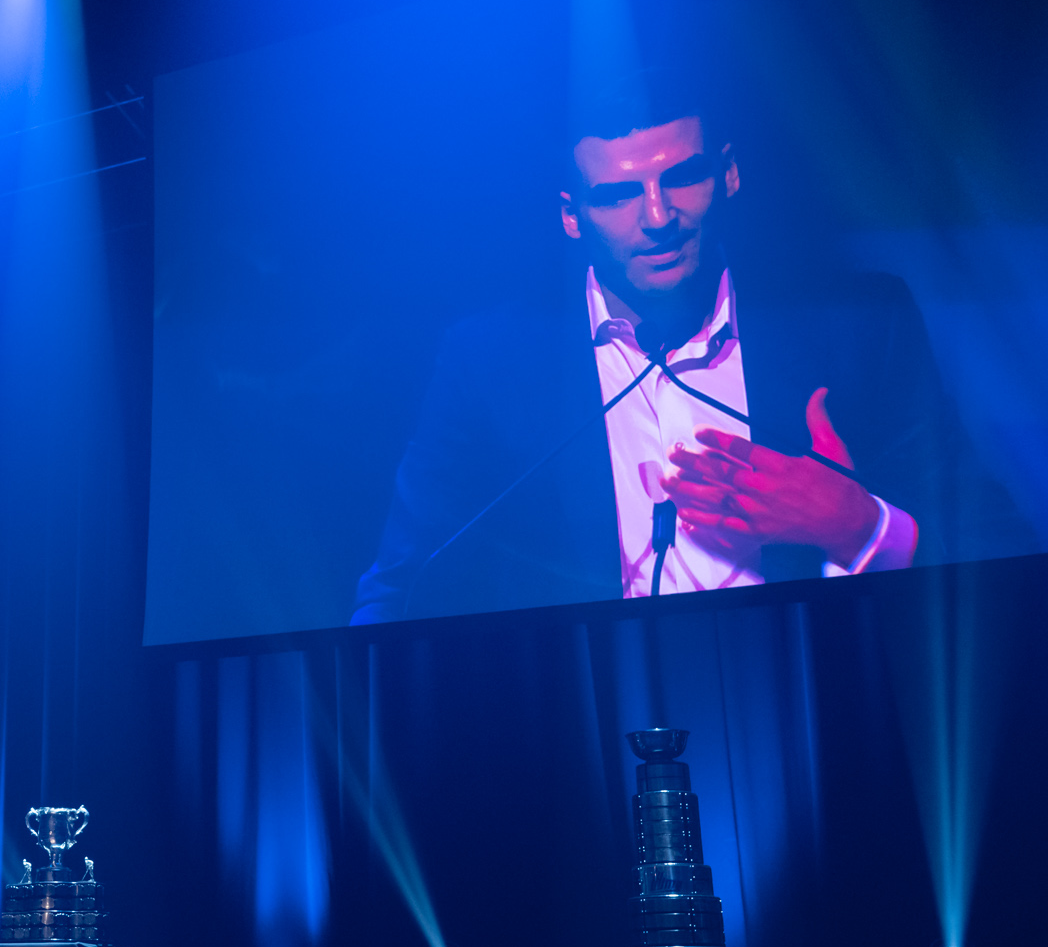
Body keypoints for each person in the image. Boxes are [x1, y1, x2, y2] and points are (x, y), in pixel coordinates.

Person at [352, 74, 1019, 624]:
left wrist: (859, 525)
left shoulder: (855, 323)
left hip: (824, 691)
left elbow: (994, 542)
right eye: (618, 194)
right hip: (586, 711)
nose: (658, 217)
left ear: (728, 174)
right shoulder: (487, 361)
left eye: (681, 178)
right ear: (571, 214)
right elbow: (400, 585)